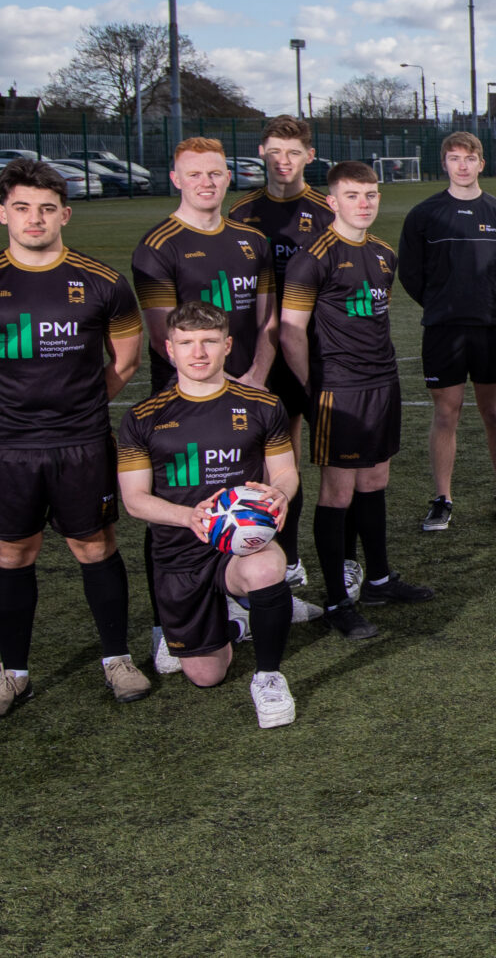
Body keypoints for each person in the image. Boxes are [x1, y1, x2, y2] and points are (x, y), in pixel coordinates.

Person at [0, 157, 149, 722]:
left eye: (47, 209)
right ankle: (13, 674)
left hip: (80, 442)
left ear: (66, 215)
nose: (35, 219)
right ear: (1, 213)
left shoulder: (103, 282)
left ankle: (117, 658)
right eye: (23, 208)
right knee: (13, 552)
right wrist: (20, 411)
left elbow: (126, 362)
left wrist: (75, 409)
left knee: (95, 546)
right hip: (7, 446)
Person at [132, 135, 303, 672]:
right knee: (175, 510)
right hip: (183, 399)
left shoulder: (251, 240)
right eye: (196, 173)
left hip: (249, 387)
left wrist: (254, 376)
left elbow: (268, 320)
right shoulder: (158, 246)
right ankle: (167, 625)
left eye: (217, 173)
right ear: (176, 179)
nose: (207, 182)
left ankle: (261, 590)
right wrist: (218, 379)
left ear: (229, 178)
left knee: (263, 488)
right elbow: (167, 332)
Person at [114, 300, 300, 728]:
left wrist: (279, 494)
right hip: (181, 553)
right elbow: (135, 500)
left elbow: (286, 472)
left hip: (240, 545)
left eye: (209, 342)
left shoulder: (261, 405)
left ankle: (269, 677)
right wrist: (189, 518)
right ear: (169, 349)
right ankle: (233, 623)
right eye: (187, 343)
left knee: (268, 565)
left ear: (227, 346)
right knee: (206, 675)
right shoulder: (142, 418)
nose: (198, 353)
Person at [280, 161, 435, 639]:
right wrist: (313, 389)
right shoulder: (313, 257)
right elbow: (290, 331)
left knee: (375, 479)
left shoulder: (385, 254)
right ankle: (334, 601)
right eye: (352, 195)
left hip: (382, 383)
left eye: (370, 195)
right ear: (332, 202)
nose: (363, 204)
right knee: (338, 492)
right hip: (338, 389)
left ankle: (380, 580)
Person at [399, 132, 496, 532]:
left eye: (469, 158)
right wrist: (443, 305)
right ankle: (442, 498)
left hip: (489, 328)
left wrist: (489, 302)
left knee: (494, 412)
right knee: (446, 413)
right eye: (454, 158)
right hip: (442, 329)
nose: (462, 165)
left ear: (481, 164)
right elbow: (410, 273)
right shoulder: (424, 215)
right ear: (445, 163)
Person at [229, 116, 337, 592]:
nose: (283, 161)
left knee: (338, 459)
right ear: (262, 153)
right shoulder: (242, 212)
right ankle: (287, 558)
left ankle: (343, 559)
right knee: (276, 461)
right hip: (263, 354)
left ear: (309, 157)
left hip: (322, 351)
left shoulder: (327, 210)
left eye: (293, 152)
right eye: (274, 151)